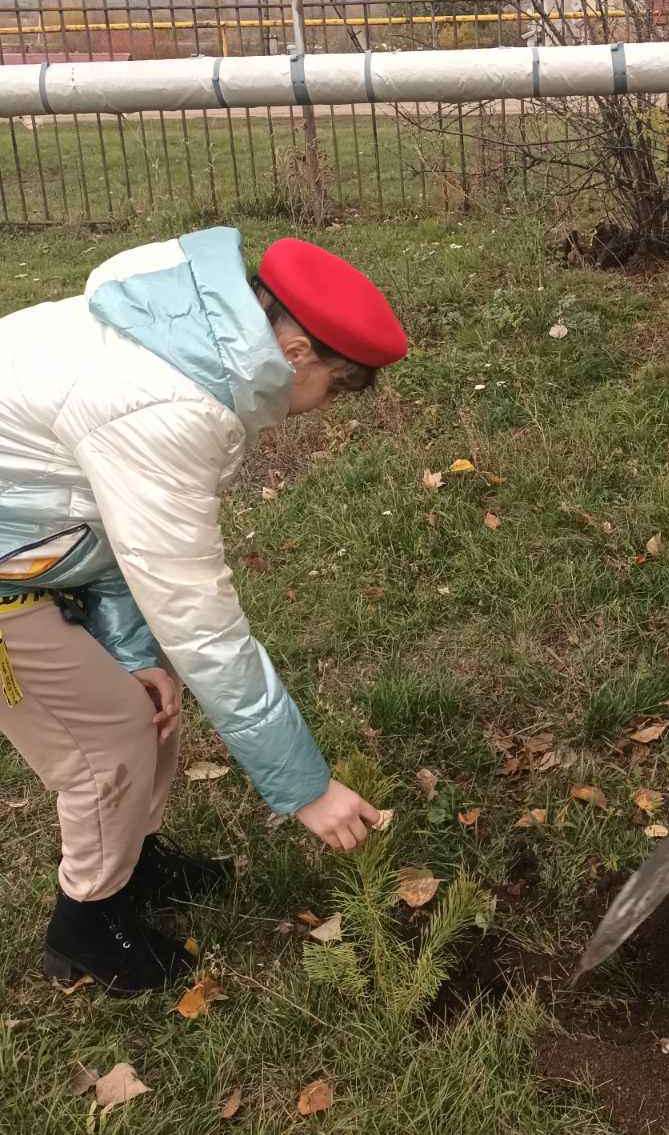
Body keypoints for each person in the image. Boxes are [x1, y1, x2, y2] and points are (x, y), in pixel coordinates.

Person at [0, 227, 408, 994]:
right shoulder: (167, 402)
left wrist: (132, 654)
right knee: (107, 740)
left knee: (147, 697)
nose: (320, 412)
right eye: (334, 390)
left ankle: (132, 862)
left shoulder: (181, 333)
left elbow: (103, 520)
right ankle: (86, 926)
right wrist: (306, 788)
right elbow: (200, 621)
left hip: (26, 540)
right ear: (296, 357)